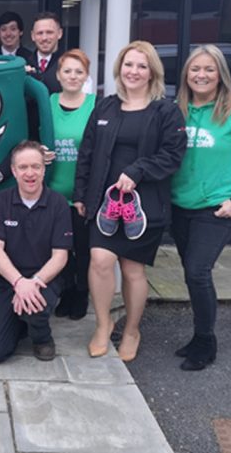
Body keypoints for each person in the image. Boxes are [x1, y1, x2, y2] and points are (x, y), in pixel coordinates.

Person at [73, 40, 186, 362]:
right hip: (104, 204)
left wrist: (138, 170)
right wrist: (81, 194)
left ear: (152, 72)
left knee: (133, 269)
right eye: (128, 64)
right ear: (119, 69)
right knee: (99, 261)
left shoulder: (166, 110)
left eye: (141, 65)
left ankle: (133, 329)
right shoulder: (106, 107)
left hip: (144, 206)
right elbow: (87, 153)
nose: (133, 71)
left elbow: (172, 156)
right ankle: (103, 324)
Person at [170, 44, 231, 371]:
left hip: (217, 208)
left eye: (209, 69)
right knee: (190, 272)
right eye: (196, 69)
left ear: (220, 74)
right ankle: (199, 335)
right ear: (186, 74)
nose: (201, 75)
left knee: (198, 271)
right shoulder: (177, 108)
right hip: (180, 204)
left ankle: (205, 340)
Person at [0, 141, 72, 363]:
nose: (30, 173)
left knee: (33, 307)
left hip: (45, 280)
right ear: (13, 170)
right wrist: (19, 282)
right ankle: (20, 323)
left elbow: (60, 256)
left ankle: (42, 338)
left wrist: (34, 282)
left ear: (43, 169)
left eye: (36, 166)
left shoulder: (58, 203)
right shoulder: (2, 201)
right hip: (9, 280)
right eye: (23, 167)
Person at [49, 49, 96, 320]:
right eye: (67, 71)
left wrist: (87, 194)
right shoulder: (49, 101)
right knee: (58, 247)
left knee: (83, 248)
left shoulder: (96, 105)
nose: (73, 76)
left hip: (81, 195)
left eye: (79, 72)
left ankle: (81, 293)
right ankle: (65, 291)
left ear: (86, 76)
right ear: (58, 75)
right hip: (53, 191)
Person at [26, 12, 64, 94]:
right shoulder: (24, 63)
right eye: (40, 33)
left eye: (49, 32)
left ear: (60, 33)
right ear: (33, 36)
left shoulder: (69, 65)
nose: (44, 38)